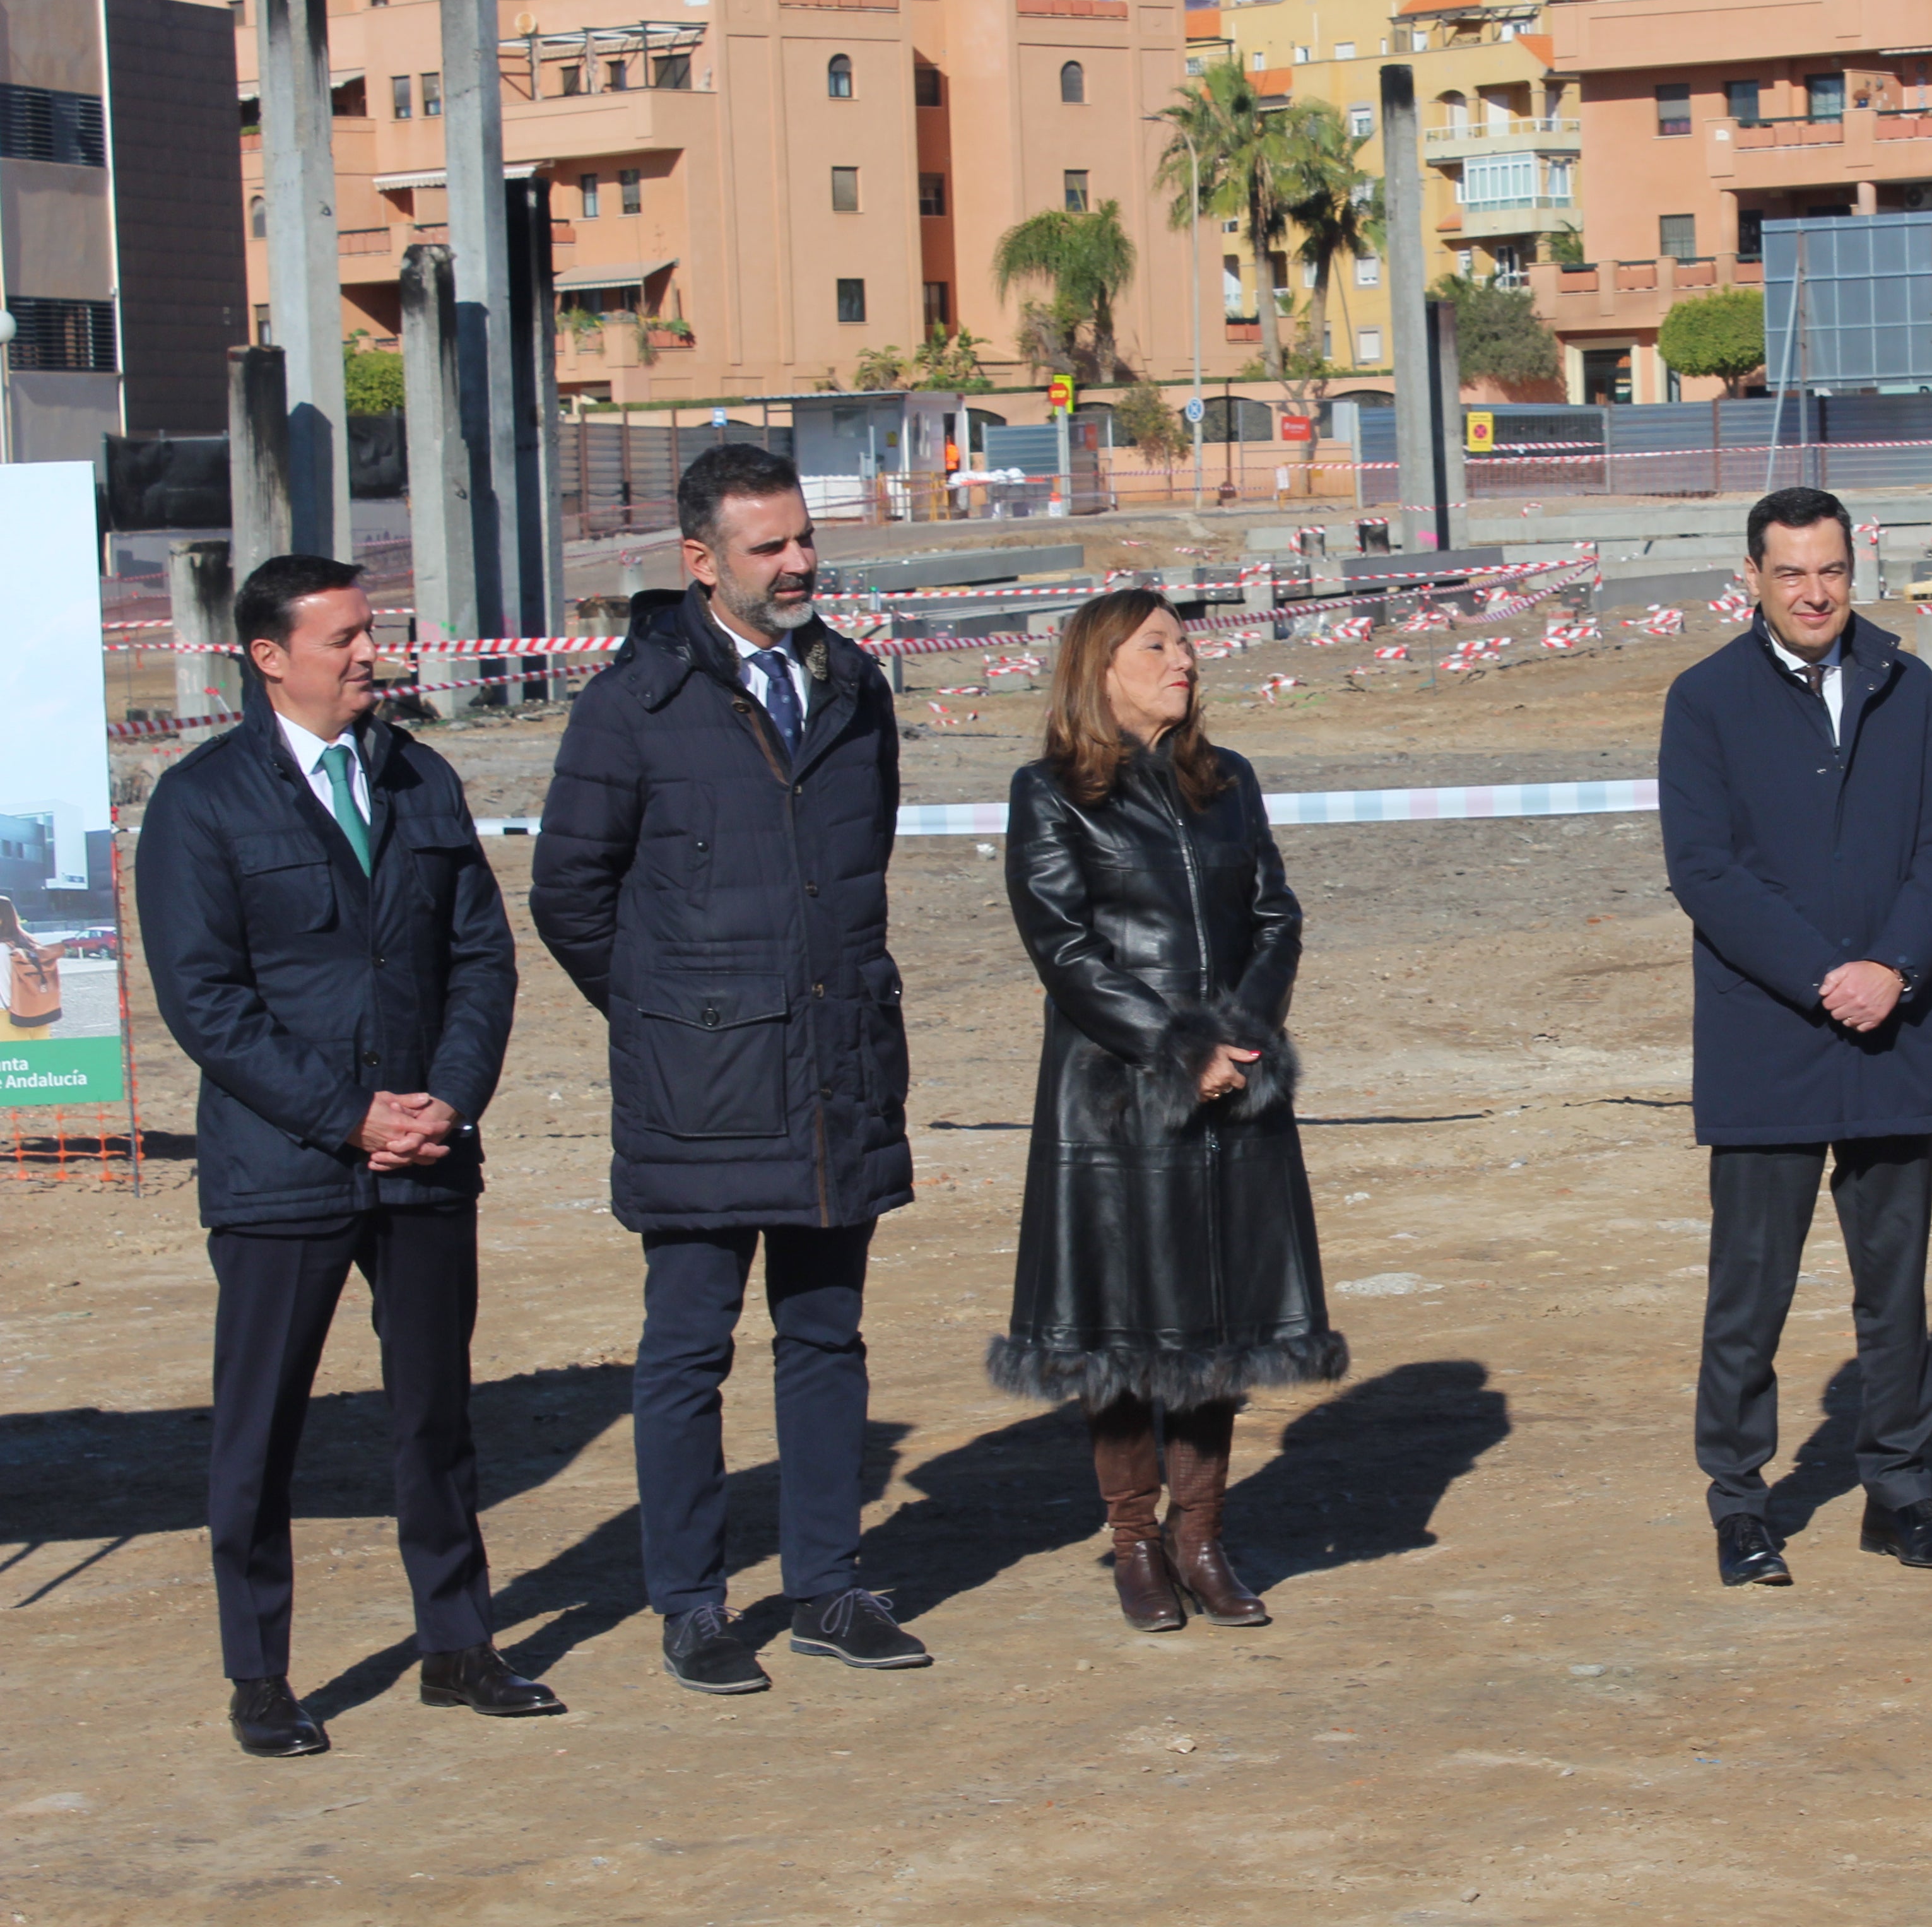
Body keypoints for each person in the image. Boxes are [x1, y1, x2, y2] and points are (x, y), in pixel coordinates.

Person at [133, 553, 550, 1759]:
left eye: (374, 631)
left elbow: (480, 959)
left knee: (436, 1414)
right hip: (283, 1170)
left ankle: (458, 1644)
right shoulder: (203, 801)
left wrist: (448, 1100)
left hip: (425, 1157)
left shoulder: (420, 779)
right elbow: (205, 1004)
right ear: (269, 656)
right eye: (346, 638)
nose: (374, 652)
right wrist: (347, 1115)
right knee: (260, 1430)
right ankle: (259, 1673)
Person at [531, 445, 929, 1694]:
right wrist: (671, 1016)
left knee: (825, 1337)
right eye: (770, 546)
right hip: (697, 1093)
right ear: (700, 562)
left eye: (804, 537)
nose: (800, 561)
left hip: (835, 1075)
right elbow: (567, 895)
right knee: (686, 1349)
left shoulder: (854, 687)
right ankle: (693, 1606)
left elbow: (858, 866)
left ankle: (825, 1588)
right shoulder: (633, 706)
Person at [986, 590, 1343, 1631]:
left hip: (1235, 1090)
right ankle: (1133, 1542)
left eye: (1185, 641)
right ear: (1099, 668)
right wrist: (1177, 1052)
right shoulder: (1049, 793)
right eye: (1156, 645)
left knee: (1212, 1326)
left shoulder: (1225, 782)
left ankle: (1201, 1536)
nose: (1183, 658)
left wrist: (1238, 1041)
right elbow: (1062, 945)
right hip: (1116, 1104)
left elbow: (1275, 914)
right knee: (1123, 1334)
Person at [1658, 486, 1932, 1589]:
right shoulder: (1702, 701)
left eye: (1829, 570)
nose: (1812, 592)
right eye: (1790, 572)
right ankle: (1740, 1507)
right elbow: (1702, 868)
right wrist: (1818, 975)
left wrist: (1889, 969)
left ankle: (1898, 1493)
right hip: (1767, 1039)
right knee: (1747, 1293)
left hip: (1894, 1032)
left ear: (1856, 570)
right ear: (1749, 575)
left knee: (1894, 1291)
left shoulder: (1907, 684)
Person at [2, 895, 57, 1039]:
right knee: (41, 1059)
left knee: (15, 1060)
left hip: (8, 1018)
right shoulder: (30, 943)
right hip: (38, 1015)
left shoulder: (2, 950)